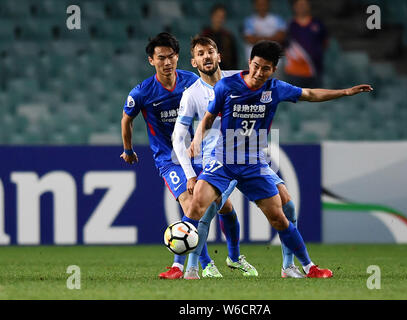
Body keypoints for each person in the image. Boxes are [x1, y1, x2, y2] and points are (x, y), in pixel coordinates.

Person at [187, 40, 373, 279]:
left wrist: (345, 92)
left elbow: (310, 94)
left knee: (280, 216)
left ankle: (307, 266)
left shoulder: (275, 89)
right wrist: (197, 140)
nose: (258, 72)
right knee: (197, 207)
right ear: (249, 63)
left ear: (273, 69)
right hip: (223, 160)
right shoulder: (226, 86)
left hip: (253, 162)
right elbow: (209, 116)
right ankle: (185, 267)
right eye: (255, 66)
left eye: (265, 68)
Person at [120, 32, 215, 280]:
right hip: (168, 158)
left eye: (171, 56)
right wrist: (128, 150)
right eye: (161, 57)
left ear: (177, 57)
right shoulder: (142, 92)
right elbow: (126, 119)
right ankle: (196, 265)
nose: (167, 62)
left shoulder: (191, 81)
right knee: (188, 203)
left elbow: (209, 110)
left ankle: (230, 257)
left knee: (217, 206)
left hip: (197, 155)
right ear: (151, 60)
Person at [173, 36, 258, 279]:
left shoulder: (240, 79)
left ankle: (216, 261)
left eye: (210, 51)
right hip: (210, 161)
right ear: (193, 61)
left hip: (239, 157)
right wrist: (189, 173)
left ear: (219, 55)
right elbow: (178, 138)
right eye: (200, 53)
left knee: (218, 208)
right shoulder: (191, 94)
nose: (206, 56)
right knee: (219, 208)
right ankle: (211, 263)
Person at [284, 0, 328, 88]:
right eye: (299, 5)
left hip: (314, 69)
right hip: (294, 72)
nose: (301, 7)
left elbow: (325, 42)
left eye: (304, 4)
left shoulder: (318, 23)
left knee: (317, 99)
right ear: (294, 7)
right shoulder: (289, 25)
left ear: (309, 6)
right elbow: (284, 44)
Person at [200, 4, 239, 70]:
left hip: (225, 73)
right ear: (212, 16)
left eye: (222, 17)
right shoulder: (204, 36)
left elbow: (234, 59)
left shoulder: (228, 37)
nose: (220, 19)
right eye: (217, 16)